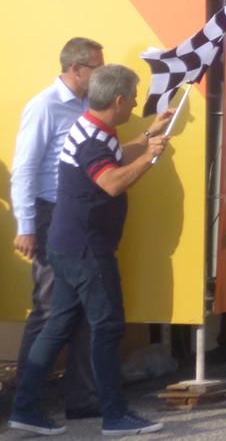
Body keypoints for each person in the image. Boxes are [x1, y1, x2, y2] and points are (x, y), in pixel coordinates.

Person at [10, 65, 174, 437]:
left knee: (58, 327)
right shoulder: (92, 140)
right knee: (108, 327)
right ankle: (114, 415)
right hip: (87, 251)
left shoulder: (93, 127)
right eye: (133, 97)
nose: (136, 103)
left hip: (69, 246)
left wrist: (149, 135)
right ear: (118, 100)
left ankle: (25, 408)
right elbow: (111, 181)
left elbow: (115, 155)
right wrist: (149, 158)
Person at [10, 38, 104, 421]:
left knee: (86, 305)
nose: (101, 73)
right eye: (97, 67)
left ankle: (81, 399)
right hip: (50, 214)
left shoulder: (89, 105)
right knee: (50, 307)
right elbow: (24, 169)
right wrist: (26, 226)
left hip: (81, 215)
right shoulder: (44, 106)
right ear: (76, 69)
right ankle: (24, 401)